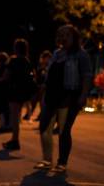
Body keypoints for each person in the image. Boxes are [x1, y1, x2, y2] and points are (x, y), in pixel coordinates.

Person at [35, 24, 92, 173]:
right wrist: (44, 94)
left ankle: (62, 163)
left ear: (74, 37)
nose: (63, 37)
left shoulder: (81, 55)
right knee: (44, 127)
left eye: (67, 35)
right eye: (61, 35)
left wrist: (83, 96)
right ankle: (47, 160)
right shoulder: (56, 53)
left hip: (69, 97)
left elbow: (87, 76)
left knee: (63, 130)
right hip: (52, 96)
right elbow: (49, 76)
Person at [2, 38, 36, 150]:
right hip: (23, 91)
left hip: (13, 90)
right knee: (17, 115)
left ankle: (15, 140)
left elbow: (6, 76)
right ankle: (14, 139)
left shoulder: (13, 60)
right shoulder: (27, 61)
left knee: (15, 117)